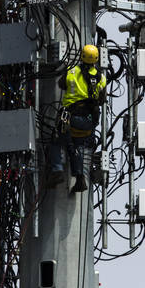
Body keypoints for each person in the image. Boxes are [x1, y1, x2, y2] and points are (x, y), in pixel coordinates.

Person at [47, 44, 107, 193]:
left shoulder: (72, 72)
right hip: (89, 122)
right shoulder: (101, 78)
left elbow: (61, 85)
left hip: (71, 118)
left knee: (56, 140)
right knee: (76, 146)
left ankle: (57, 171)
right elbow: (101, 99)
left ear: (82, 57)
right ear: (96, 59)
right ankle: (80, 179)